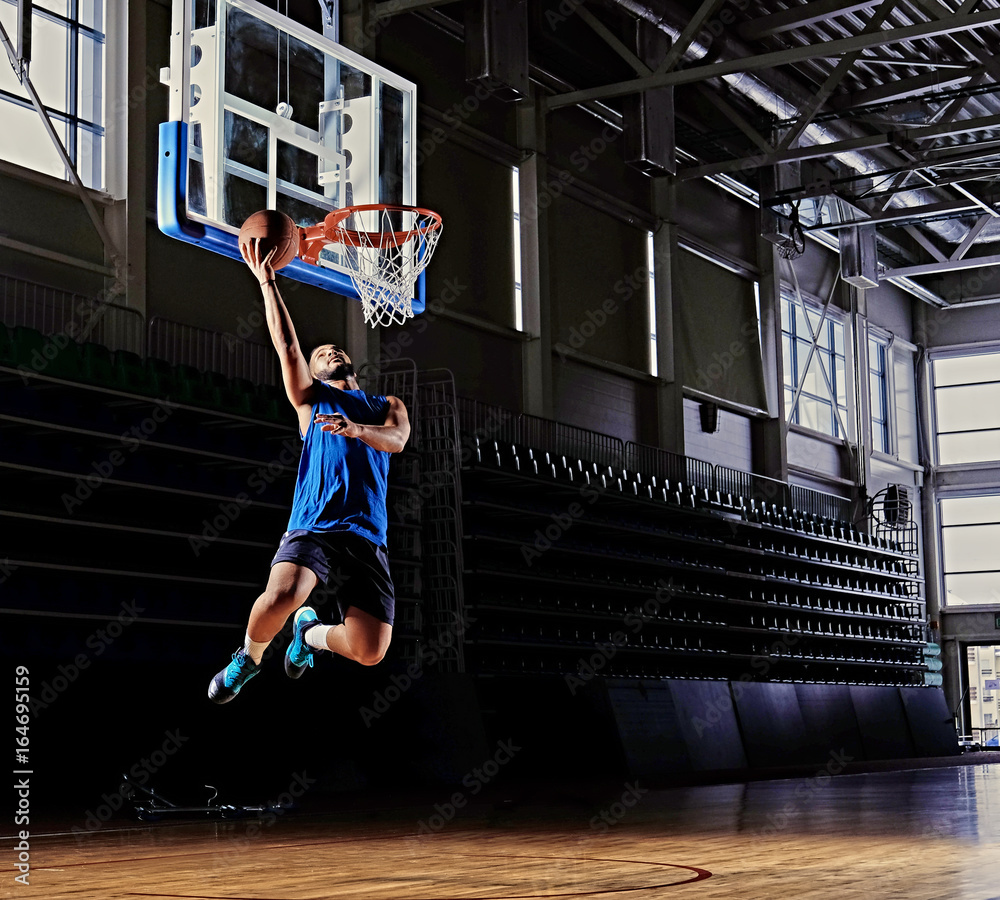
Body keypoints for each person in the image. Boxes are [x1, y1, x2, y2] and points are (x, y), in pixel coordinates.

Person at [208, 239, 410, 703]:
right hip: (315, 523)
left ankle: (310, 637)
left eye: (335, 349)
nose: (331, 351)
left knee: (370, 650)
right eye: (322, 354)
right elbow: (286, 345)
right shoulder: (311, 399)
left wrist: (356, 429)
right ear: (315, 372)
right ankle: (250, 659)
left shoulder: (386, 405)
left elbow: (396, 441)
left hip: (366, 533)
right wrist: (266, 281)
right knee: (283, 596)